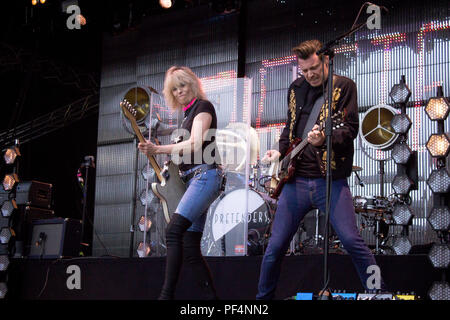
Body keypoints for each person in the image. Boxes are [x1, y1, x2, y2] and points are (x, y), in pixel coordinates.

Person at [256, 40, 386, 300]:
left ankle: (379, 292)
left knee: (352, 241)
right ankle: (262, 301)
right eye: (304, 71)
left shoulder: (343, 86)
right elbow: (290, 127)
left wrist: (324, 138)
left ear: (326, 61)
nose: (310, 75)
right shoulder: (295, 88)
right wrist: (281, 153)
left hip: (330, 181)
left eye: (314, 68)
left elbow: (348, 129)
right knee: (274, 247)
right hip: (295, 182)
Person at [138, 66, 222, 300]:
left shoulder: (203, 107)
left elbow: (195, 144)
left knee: (173, 232)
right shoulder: (187, 115)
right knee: (190, 246)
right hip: (194, 179)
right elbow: (181, 154)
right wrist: (154, 151)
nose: (179, 91)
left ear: (192, 84)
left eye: (182, 86)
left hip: (205, 176)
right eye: (174, 89)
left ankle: (165, 296)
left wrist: (158, 148)